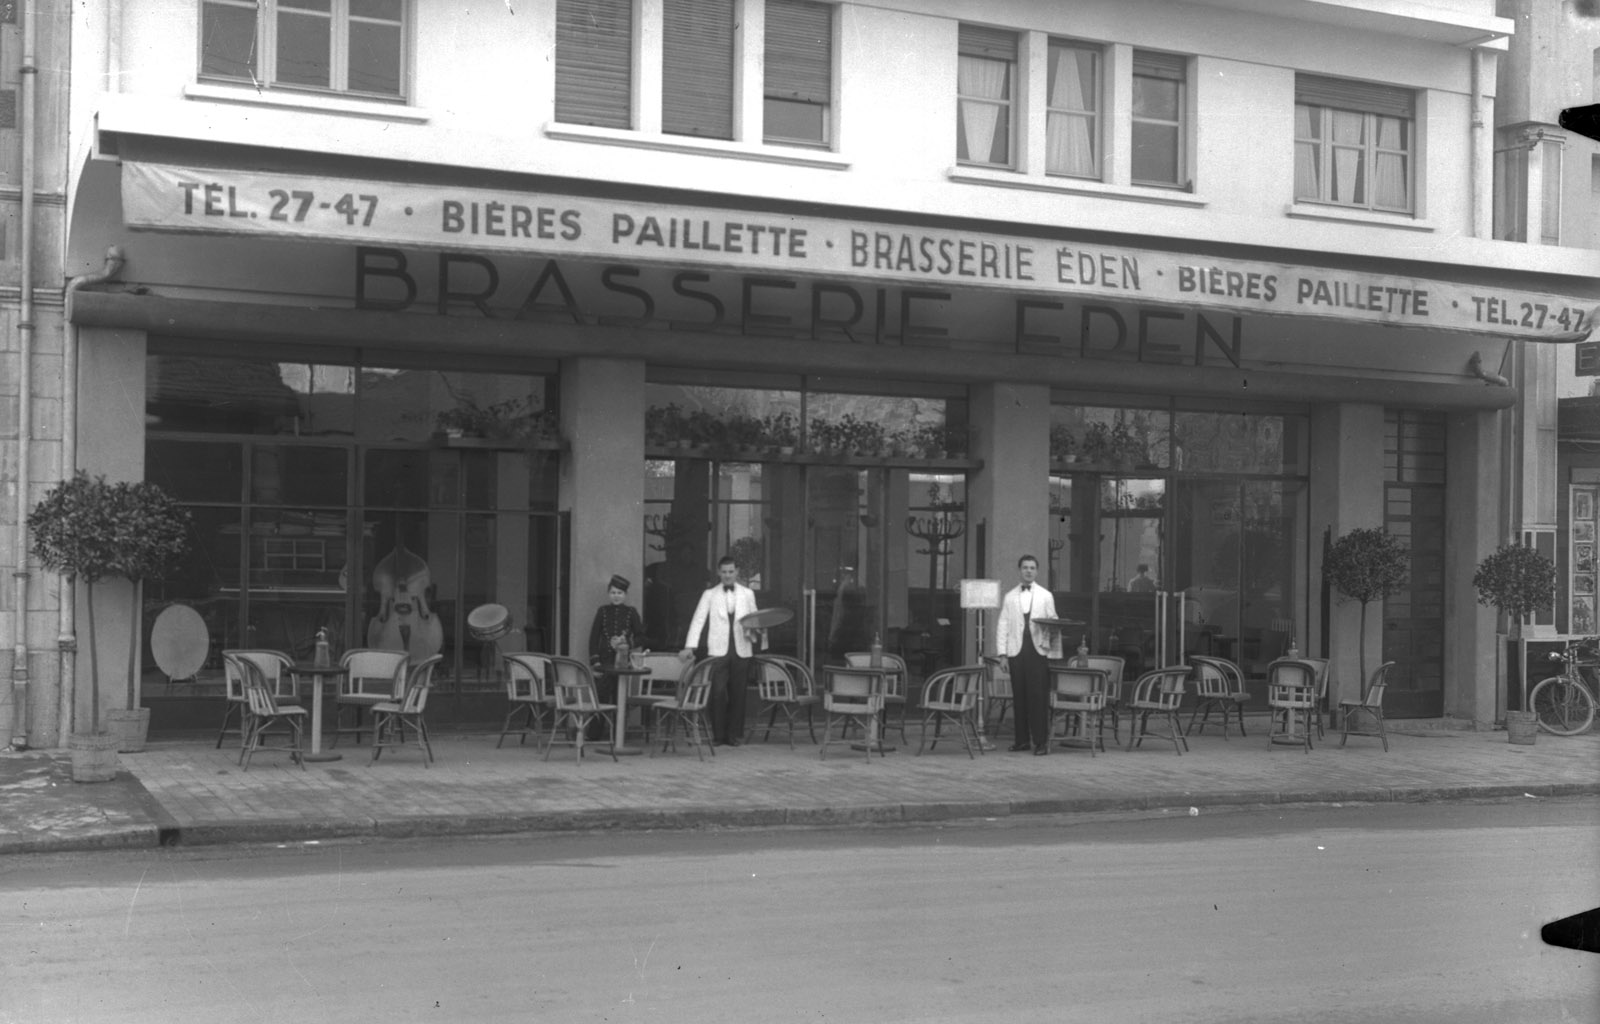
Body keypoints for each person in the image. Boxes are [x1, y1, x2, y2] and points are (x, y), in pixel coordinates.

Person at [680, 556, 760, 746]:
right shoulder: (709, 594)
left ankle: (734, 735)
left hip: (742, 648)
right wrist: (690, 645)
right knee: (717, 692)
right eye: (724, 572)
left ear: (737, 572)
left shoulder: (748, 593)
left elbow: (756, 619)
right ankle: (718, 735)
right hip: (717, 650)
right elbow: (698, 619)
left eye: (731, 571)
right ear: (718, 572)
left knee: (738, 693)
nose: (727, 575)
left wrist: (756, 631)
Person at [995, 554, 1061, 755]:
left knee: (1038, 697)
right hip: (1016, 652)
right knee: (1019, 696)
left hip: (1038, 652)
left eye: (1032, 568)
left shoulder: (1046, 595)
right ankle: (1021, 740)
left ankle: (1040, 742)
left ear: (1037, 571)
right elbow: (1002, 625)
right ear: (1019, 570)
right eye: (1025, 567)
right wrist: (1002, 655)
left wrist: (1051, 649)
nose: (1029, 571)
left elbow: (1054, 622)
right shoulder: (1009, 596)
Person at [588, 574, 645, 737]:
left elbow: (641, 637)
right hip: (604, 662)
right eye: (613, 592)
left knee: (619, 697)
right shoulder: (602, 611)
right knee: (601, 696)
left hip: (622, 662)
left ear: (625, 595)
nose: (616, 596)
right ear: (608, 593)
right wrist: (595, 661)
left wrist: (626, 642)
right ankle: (594, 734)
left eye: (620, 593)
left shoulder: (631, 612)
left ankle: (618, 735)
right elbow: (594, 637)